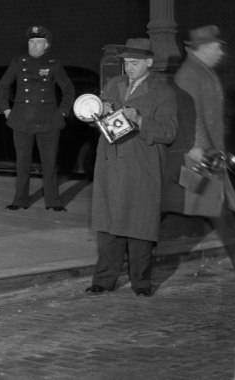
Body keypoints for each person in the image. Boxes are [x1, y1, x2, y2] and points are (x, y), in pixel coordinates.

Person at [87, 37, 177, 297]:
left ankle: (141, 283)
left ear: (149, 62)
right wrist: (94, 113)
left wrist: (140, 120)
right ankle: (103, 280)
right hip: (110, 165)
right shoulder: (114, 84)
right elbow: (99, 121)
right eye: (126, 63)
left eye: (135, 63)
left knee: (140, 226)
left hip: (141, 168)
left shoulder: (163, 91)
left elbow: (169, 132)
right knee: (109, 226)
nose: (129, 68)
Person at [163, 25, 235, 271]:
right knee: (211, 203)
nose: (221, 52)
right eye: (216, 47)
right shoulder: (190, 75)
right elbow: (191, 116)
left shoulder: (202, 71)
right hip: (200, 155)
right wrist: (199, 148)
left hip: (209, 151)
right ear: (201, 49)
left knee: (209, 203)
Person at [0, 25, 75, 211]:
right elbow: (3, 86)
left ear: (46, 45)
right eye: (31, 42)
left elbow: (68, 90)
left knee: (49, 163)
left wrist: (62, 112)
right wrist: (6, 109)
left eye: (38, 42)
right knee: (22, 163)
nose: (33, 45)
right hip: (22, 120)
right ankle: (20, 200)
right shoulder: (18, 61)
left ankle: (53, 201)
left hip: (48, 121)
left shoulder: (54, 64)